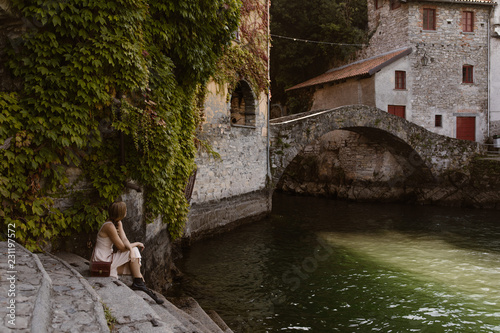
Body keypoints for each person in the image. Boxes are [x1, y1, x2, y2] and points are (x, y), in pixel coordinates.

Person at [93, 201, 163, 304]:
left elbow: (124, 239)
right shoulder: (109, 226)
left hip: (108, 258)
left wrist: (130, 248)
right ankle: (140, 284)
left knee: (135, 264)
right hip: (102, 260)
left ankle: (141, 284)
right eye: (125, 210)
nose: (127, 211)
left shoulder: (117, 222)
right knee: (134, 252)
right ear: (121, 213)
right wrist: (136, 245)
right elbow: (121, 247)